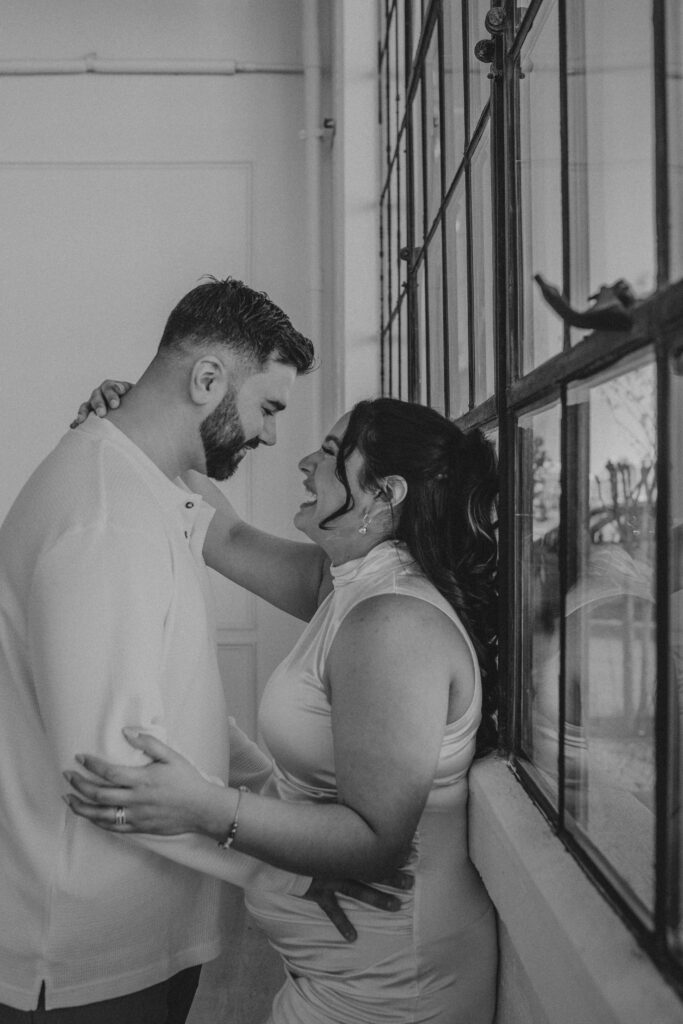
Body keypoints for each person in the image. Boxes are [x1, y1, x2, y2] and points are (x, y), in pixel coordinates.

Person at [65, 393, 500, 1024]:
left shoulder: (393, 624)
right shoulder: (346, 584)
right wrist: (141, 431)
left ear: (384, 493)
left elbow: (375, 840)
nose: (303, 463)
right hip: (342, 972)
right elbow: (225, 534)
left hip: (393, 989)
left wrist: (204, 808)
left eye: (329, 453)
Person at [0, 276, 329, 1022]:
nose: (272, 437)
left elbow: (175, 707)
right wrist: (297, 862)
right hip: (87, 950)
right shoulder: (106, 521)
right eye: (268, 408)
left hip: (139, 928)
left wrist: (282, 813)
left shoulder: (151, 492)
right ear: (207, 378)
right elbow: (112, 776)